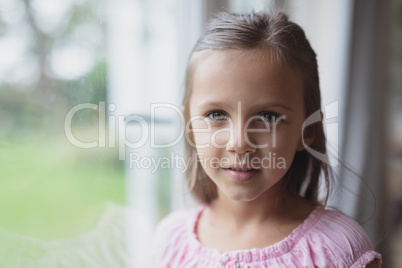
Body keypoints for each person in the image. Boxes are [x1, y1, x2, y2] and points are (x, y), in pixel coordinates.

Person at [154, 11, 382, 268]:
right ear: (190, 126)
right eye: (216, 114)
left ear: (307, 130)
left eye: (268, 116)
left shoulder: (339, 250)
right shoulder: (170, 238)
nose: (239, 143)